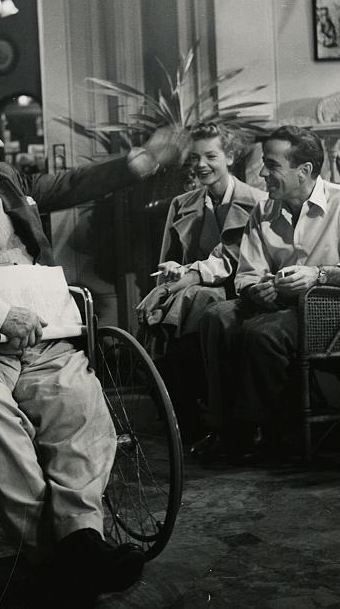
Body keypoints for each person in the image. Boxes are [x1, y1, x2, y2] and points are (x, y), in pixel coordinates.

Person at [0, 97, 188, 604]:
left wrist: (144, 161)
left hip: (40, 333)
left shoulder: (4, 180)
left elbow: (66, 186)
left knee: (78, 401)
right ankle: (54, 552)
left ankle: (79, 540)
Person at [198, 125, 340, 462]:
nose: (262, 173)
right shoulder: (265, 209)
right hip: (279, 306)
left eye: (272, 165)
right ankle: (223, 427)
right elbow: (246, 275)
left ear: (305, 171)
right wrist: (260, 289)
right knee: (215, 317)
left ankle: (258, 433)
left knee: (262, 334)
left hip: (331, 311)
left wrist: (320, 274)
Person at [136, 122, 266, 442]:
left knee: (195, 300)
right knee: (181, 303)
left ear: (231, 157)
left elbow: (234, 261)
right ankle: (187, 417)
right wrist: (169, 275)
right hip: (190, 291)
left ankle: (200, 419)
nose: (201, 166)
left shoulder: (258, 202)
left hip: (242, 288)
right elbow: (170, 259)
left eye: (211, 156)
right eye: (194, 159)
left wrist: (176, 286)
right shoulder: (183, 204)